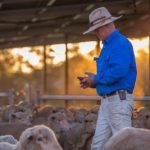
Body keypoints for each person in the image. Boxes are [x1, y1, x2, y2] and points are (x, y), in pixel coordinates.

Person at [78, 7, 137, 150]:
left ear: (108, 25)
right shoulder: (107, 47)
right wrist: (92, 81)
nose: (96, 33)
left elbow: (118, 72)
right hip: (108, 102)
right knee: (98, 145)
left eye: (98, 29)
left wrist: (96, 79)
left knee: (123, 145)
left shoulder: (120, 43)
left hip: (118, 101)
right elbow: (109, 75)